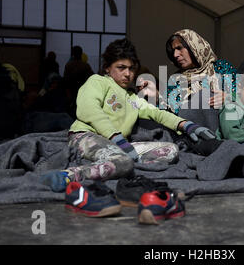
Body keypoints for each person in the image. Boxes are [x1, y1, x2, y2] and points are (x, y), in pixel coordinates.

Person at [42, 39, 216, 192]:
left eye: (132, 68)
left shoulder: (133, 97)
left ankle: (113, 165)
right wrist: (117, 138)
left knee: (171, 151)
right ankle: (69, 176)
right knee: (124, 161)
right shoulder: (98, 82)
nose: (128, 73)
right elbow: (89, 110)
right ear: (107, 68)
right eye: (121, 67)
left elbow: (157, 113)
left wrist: (187, 125)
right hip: (87, 136)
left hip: (118, 145)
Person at [138, 29, 237, 115]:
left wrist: (229, 98)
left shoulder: (221, 67)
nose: (176, 54)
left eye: (179, 48)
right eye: (173, 51)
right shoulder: (176, 79)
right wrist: (156, 97)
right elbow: (169, 114)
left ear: (194, 46)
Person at [63, 46, 94, 118]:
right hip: (83, 91)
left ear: (73, 54)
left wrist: (68, 94)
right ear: (81, 54)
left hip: (71, 91)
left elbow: (66, 81)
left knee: (72, 112)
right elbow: (91, 78)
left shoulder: (69, 65)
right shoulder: (85, 66)